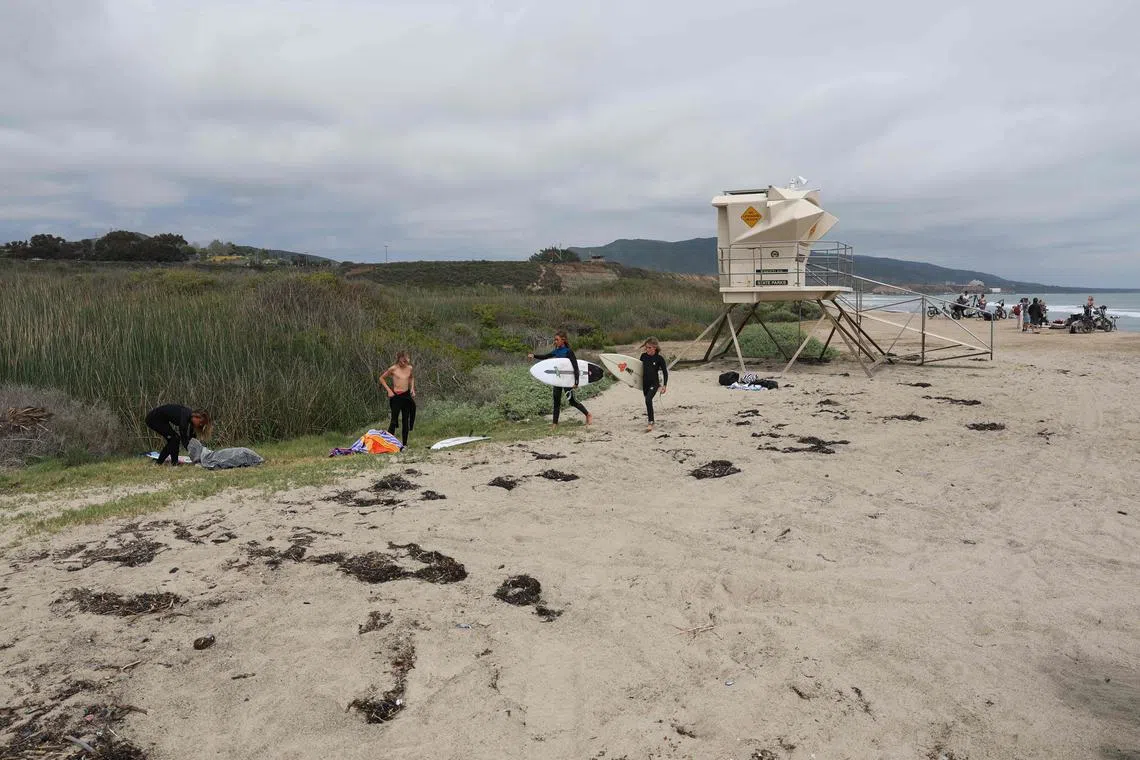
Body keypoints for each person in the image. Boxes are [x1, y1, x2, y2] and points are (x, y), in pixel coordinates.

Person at [528, 330, 592, 428]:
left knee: (572, 401)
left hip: (566, 381)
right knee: (556, 401)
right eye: (555, 340)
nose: (555, 341)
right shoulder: (557, 351)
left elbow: (575, 367)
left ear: (563, 340)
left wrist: (576, 382)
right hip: (557, 380)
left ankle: (588, 414)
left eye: (557, 340)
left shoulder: (568, 352)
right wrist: (534, 355)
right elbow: (546, 356)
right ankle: (555, 424)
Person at [145, 404, 211, 466]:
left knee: (175, 439)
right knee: (174, 439)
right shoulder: (185, 416)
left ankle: (173, 463)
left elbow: (192, 439)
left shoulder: (191, 419)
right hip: (153, 419)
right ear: (196, 417)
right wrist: (194, 455)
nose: (200, 425)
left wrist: (199, 452)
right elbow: (184, 439)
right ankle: (159, 463)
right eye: (201, 422)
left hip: (162, 419)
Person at [379, 351, 416, 446]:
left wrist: (412, 388)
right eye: (402, 361)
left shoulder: (409, 368)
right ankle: (388, 443)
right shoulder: (393, 368)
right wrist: (389, 390)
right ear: (398, 359)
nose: (403, 363)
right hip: (396, 396)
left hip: (406, 396)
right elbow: (381, 378)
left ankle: (404, 444)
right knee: (394, 420)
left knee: (405, 420)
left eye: (405, 361)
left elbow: (411, 378)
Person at [640, 337, 669, 432]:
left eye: (649, 347)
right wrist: (632, 382)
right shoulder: (643, 356)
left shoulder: (659, 359)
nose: (647, 349)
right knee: (648, 402)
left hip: (654, 383)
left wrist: (664, 385)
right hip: (645, 383)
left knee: (648, 400)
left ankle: (651, 422)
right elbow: (638, 371)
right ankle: (651, 420)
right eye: (646, 347)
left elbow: (665, 372)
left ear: (654, 348)